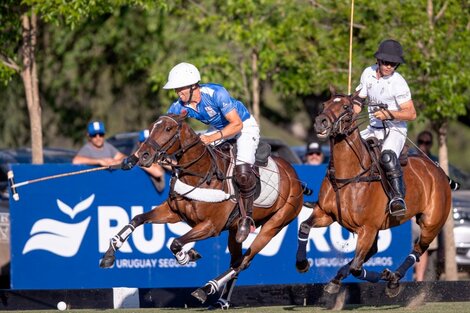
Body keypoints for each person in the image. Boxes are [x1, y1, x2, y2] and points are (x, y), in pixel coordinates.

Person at [121, 62, 260, 243]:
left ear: (193, 86)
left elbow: (236, 124)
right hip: (219, 129)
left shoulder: (217, 94)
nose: (178, 93)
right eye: (176, 89)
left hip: (244, 127)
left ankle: (246, 218)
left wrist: (210, 138)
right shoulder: (179, 106)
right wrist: (135, 157)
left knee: (242, 171)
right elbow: (161, 131)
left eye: (180, 88)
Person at [352, 39, 416, 217]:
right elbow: (359, 100)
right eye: (386, 62)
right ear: (378, 60)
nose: (389, 66)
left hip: (395, 129)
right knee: (350, 148)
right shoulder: (368, 73)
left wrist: (389, 114)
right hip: (373, 127)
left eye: (393, 64)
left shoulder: (398, 83)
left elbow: (411, 113)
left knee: (387, 156)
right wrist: (351, 115)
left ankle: (397, 198)